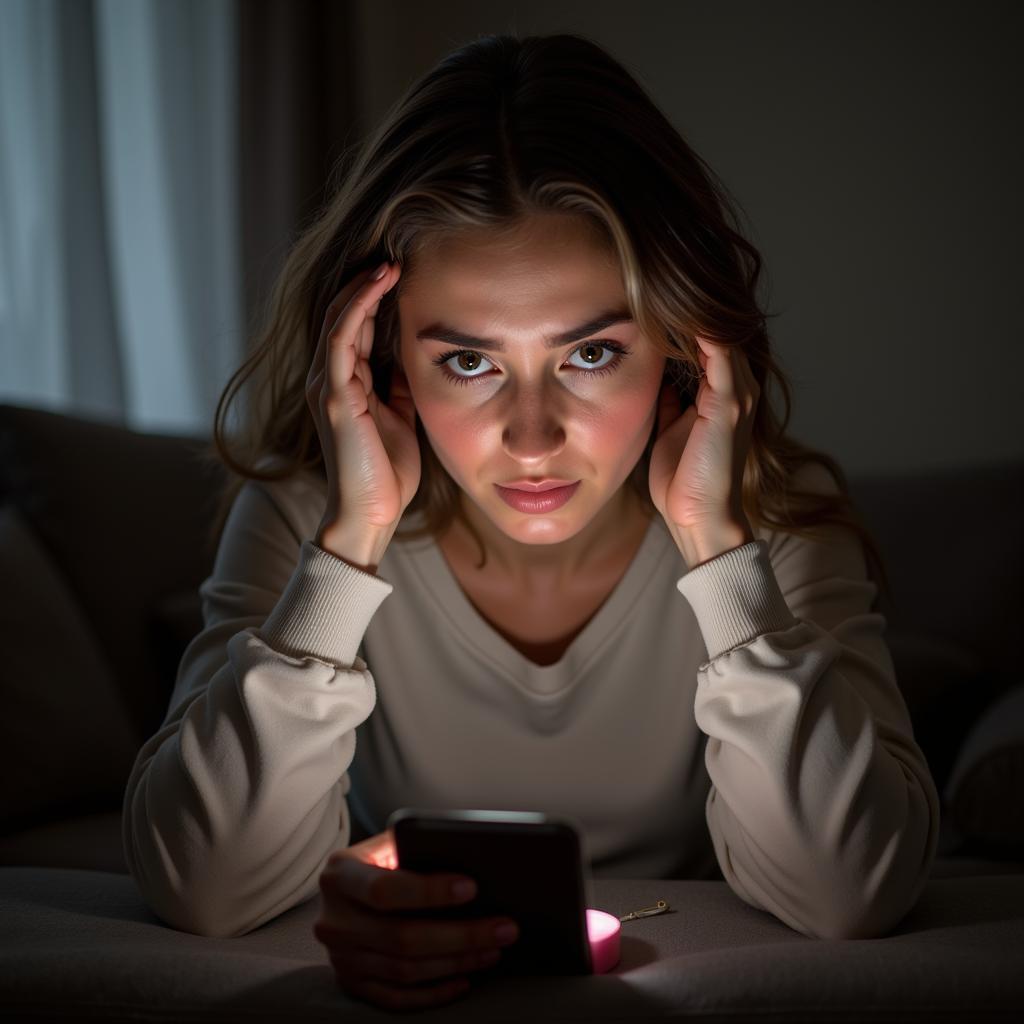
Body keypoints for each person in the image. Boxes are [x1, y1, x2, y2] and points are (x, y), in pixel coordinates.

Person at [121, 32, 940, 1012]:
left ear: (685, 348)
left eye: (589, 354)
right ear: (382, 364)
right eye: (468, 361)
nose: (533, 435)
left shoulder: (772, 519)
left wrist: (722, 555)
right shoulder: (311, 516)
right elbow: (206, 889)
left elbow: (848, 893)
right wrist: (346, 554)